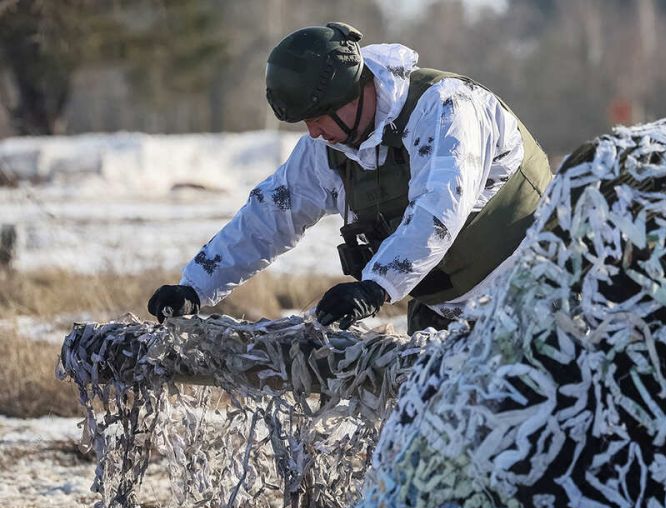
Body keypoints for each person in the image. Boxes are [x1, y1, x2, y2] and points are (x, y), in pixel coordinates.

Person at [146, 22, 553, 335]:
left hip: (538, 298)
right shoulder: (332, 145)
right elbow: (269, 215)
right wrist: (195, 288)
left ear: (353, 95)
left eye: (318, 118)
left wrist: (375, 287)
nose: (313, 133)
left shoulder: (446, 109)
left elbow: (439, 207)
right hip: (446, 315)